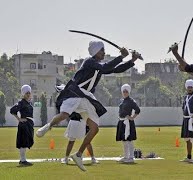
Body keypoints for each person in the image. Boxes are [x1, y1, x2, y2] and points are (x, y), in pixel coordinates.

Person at [36, 41, 140, 171]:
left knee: (95, 128)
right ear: (95, 51)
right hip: (75, 92)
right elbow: (105, 67)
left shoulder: (98, 66)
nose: (104, 52)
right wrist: (121, 57)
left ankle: (78, 155)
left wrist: (132, 60)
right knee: (64, 114)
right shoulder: (89, 62)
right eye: (102, 50)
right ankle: (48, 126)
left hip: (86, 98)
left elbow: (115, 69)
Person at [10, 85, 34, 166]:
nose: (28, 94)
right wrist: (19, 119)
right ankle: (23, 160)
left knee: (26, 142)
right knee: (23, 142)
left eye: (29, 93)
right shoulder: (22, 102)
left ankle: (23, 159)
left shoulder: (28, 102)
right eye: (26, 93)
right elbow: (12, 110)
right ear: (23, 93)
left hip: (28, 125)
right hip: (24, 125)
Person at [116, 84, 140, 164]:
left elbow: (137, 110)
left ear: (129, 92)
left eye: (126, 91)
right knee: (124, 140)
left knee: (129, 140)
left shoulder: (131, 101)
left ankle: (131, 157)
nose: (125, 93)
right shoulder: (122, 101)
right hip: (122, 121)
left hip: (127, 122)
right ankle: (126, 156)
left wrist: (132, 117)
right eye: (124, 91)